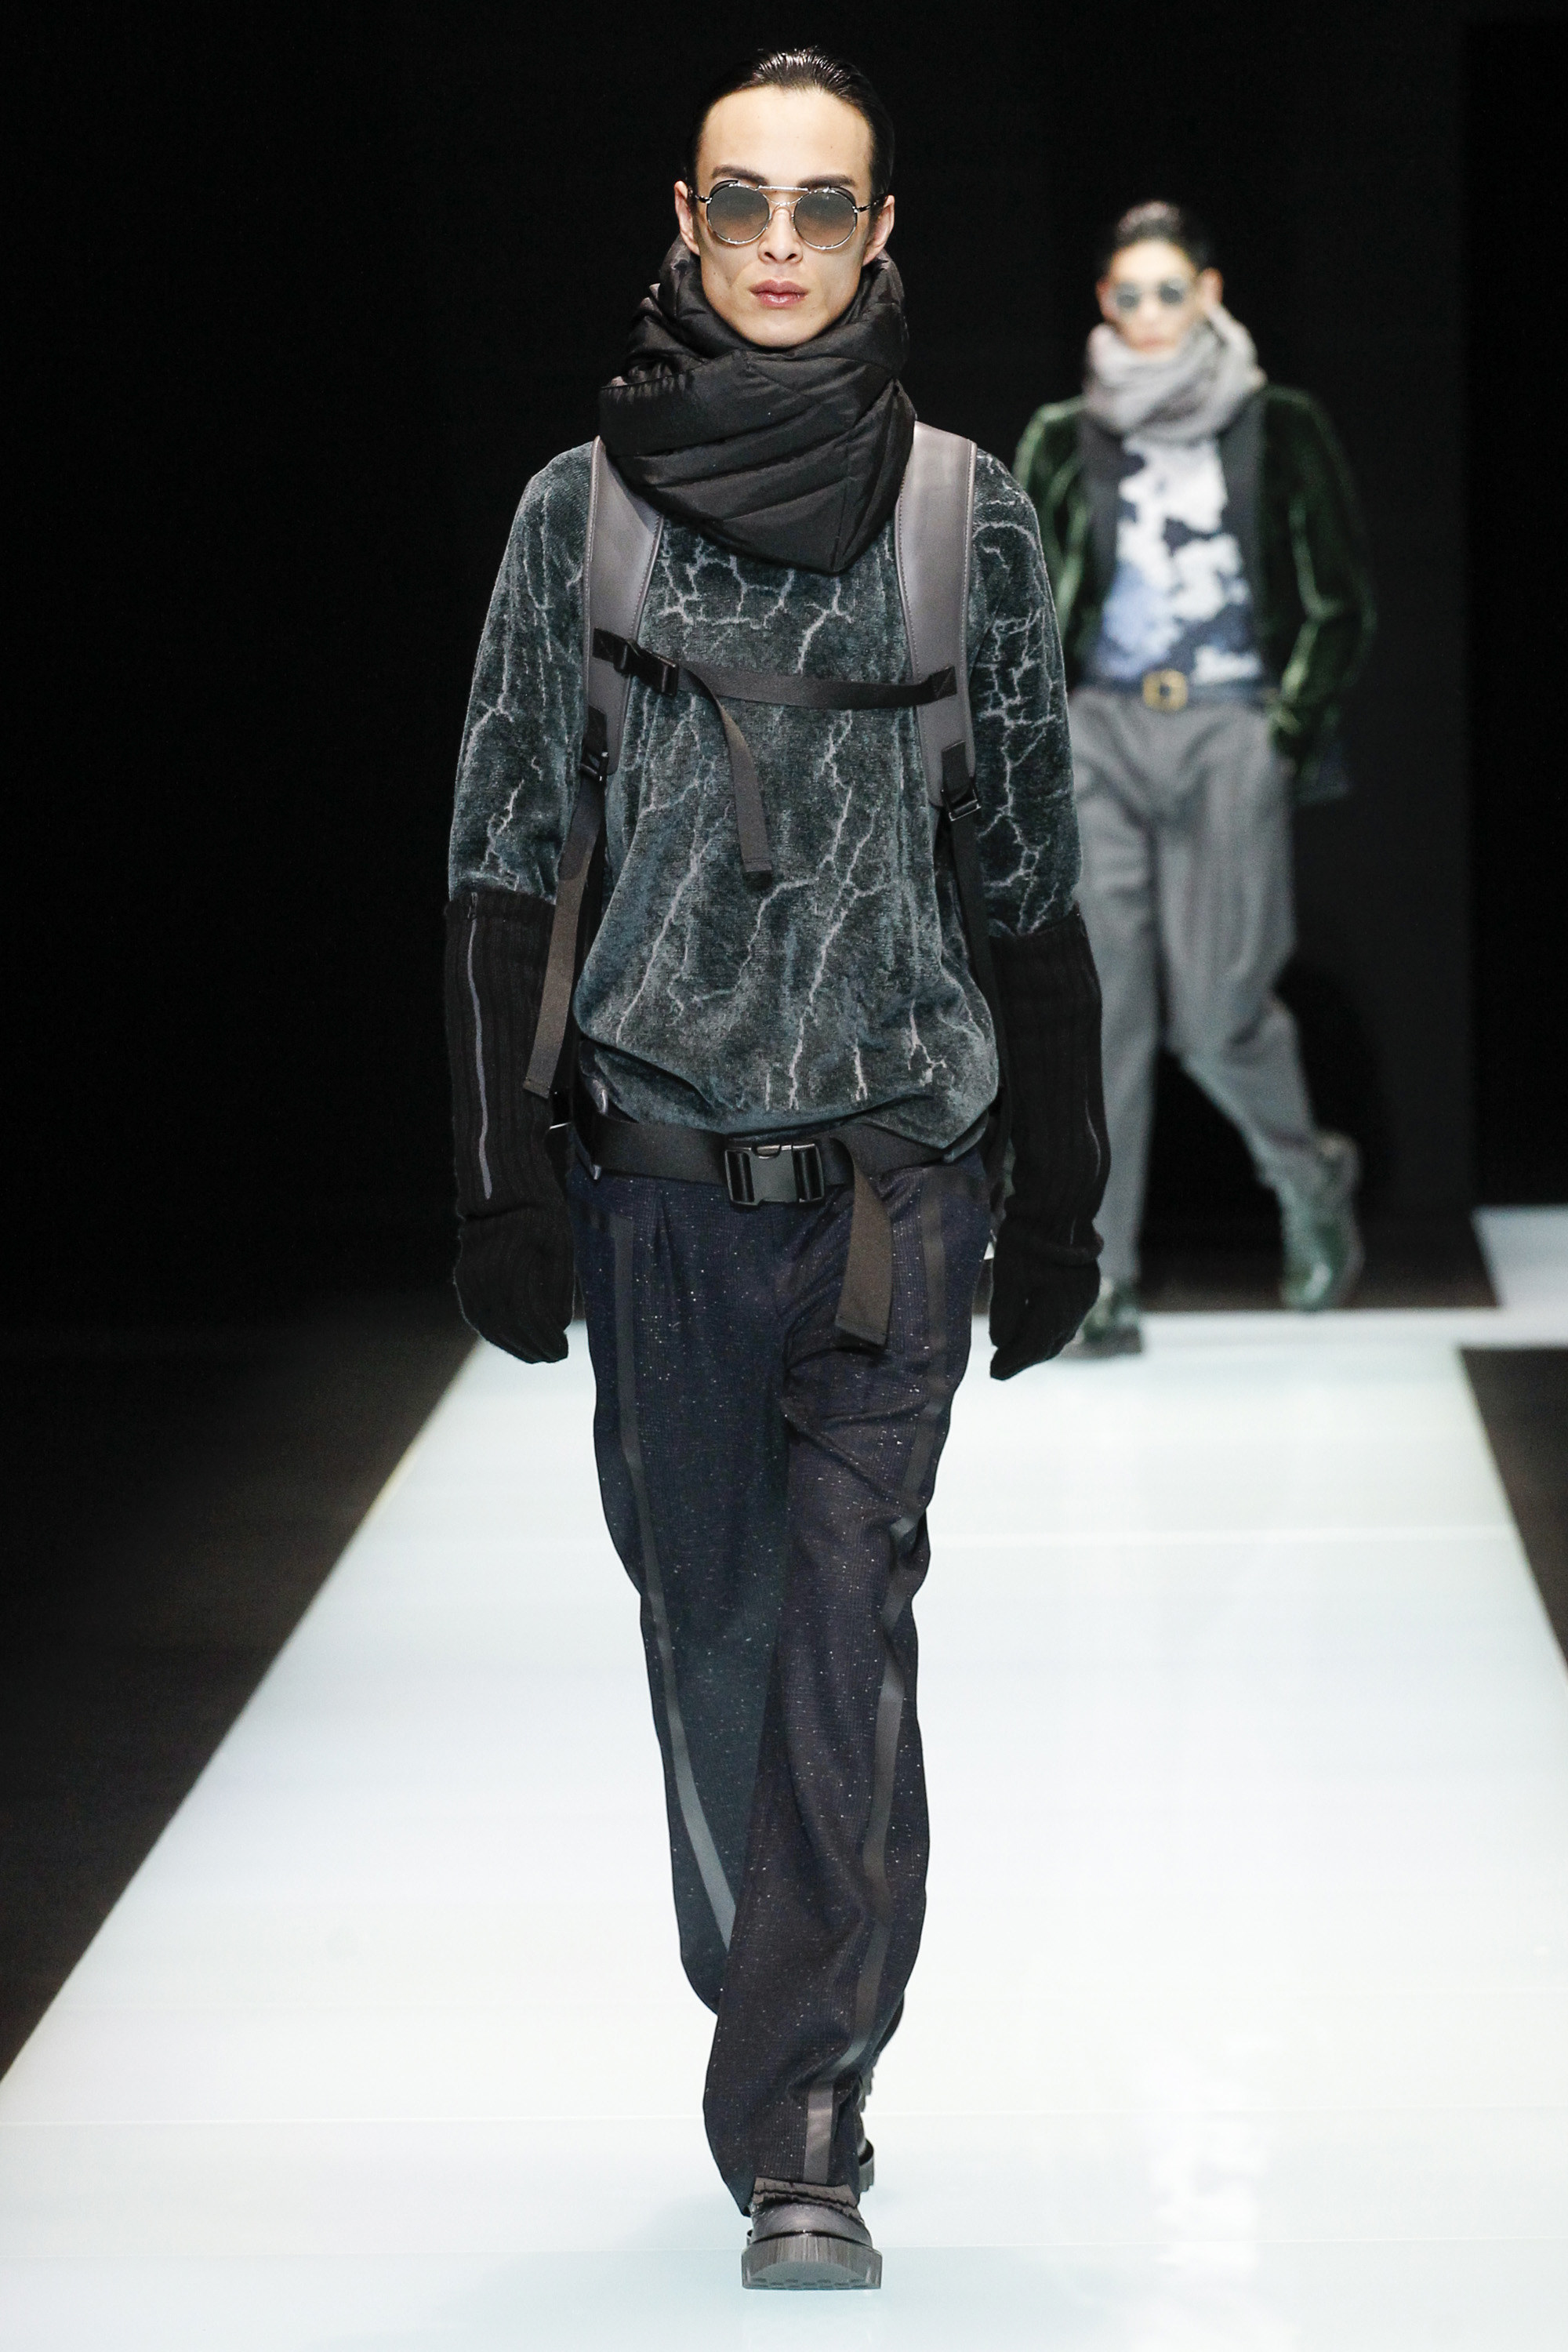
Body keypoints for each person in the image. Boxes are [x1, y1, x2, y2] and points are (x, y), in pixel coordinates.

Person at [444, 45, 1106, 2292]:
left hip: (897, 1186)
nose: (786, 245)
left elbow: (1028, 866)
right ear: (687, 218)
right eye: (747, 202)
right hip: (651, 1188)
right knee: (715, 1639)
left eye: (827, 207)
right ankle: (777, 2001)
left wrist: (1065, 1184)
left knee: (843, 1632)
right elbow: (501, 855)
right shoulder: (578, 519)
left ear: (882, 229)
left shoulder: (964, 516)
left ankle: (808, 2117)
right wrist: (499, 1182)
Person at [1015, 201, 1375, 1355]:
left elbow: (1339, 600)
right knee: (1106, 1011)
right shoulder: (1064, 436)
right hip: (1103, 733)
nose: (1151, 314)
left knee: (1221, 1012)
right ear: (1104, 304)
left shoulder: (1281, 425)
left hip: (1227, 726)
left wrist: (1284, 731)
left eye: (1171, 292)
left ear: (1210, 294)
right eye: (1130, 295)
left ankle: (1309, 1177)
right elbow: (1017, 606)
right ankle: (1102, 1274)